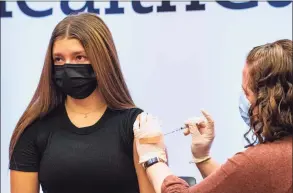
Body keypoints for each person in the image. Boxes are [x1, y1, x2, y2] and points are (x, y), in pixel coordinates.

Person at [9, 13, 155, 193]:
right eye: (59, 59)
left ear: (102, 60)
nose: (67, 67)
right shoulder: (34, 128)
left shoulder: (137, 125)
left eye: (79, 57)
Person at [134, 39, 293, 193]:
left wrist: (153, 158)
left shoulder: (262, 161)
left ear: (269, 99)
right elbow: (239, 186)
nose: (243, 100)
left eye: (247, 93)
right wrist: (202, 157)